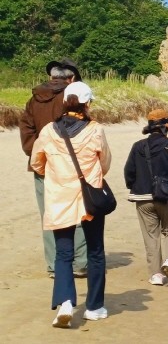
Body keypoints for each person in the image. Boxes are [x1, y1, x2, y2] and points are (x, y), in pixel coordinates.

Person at [30, 81, 112, 327]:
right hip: (90, 197)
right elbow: (105, 162)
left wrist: (56, 173)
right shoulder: (95, 129)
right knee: (95, 251)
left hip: (60, 196)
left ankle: (65, 302)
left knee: (63, 254)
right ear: (87, 103)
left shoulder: (48, 130)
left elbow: (36, 162)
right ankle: (94, 307)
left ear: (66, 101)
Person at [19, 59, 88, 279]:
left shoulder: (33, 99)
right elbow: (81, 129)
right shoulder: (71, 97)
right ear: (72, 78)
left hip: (42, 165)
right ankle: (79, 263)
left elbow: (26, 129)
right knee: (77, 211)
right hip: (68, 165)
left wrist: (38, 152)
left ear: (52, 77)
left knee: (48, 215)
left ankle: (53, 265)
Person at [123, 109, 168, 286]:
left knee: (151, 235)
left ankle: (156, 275)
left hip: (142, 197)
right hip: (166, 197)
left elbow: (129, 171)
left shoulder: (138, 146)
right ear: (166, 128)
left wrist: (135, 186)